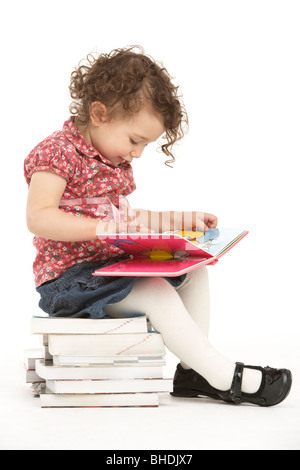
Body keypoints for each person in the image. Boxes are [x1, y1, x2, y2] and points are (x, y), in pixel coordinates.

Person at [24, 46, 292, 406]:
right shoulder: (56, 153)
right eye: (135, 141)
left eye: (145, 146)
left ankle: (194, 371)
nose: (136, 154)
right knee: (155, 289)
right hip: (69, 282)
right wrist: (101, 229)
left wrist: (179, 220)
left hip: (110, 272)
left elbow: (127, 219)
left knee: (196, 269)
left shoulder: (112, 163)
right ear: (99, 113)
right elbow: (38, 216)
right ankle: (224, 375)